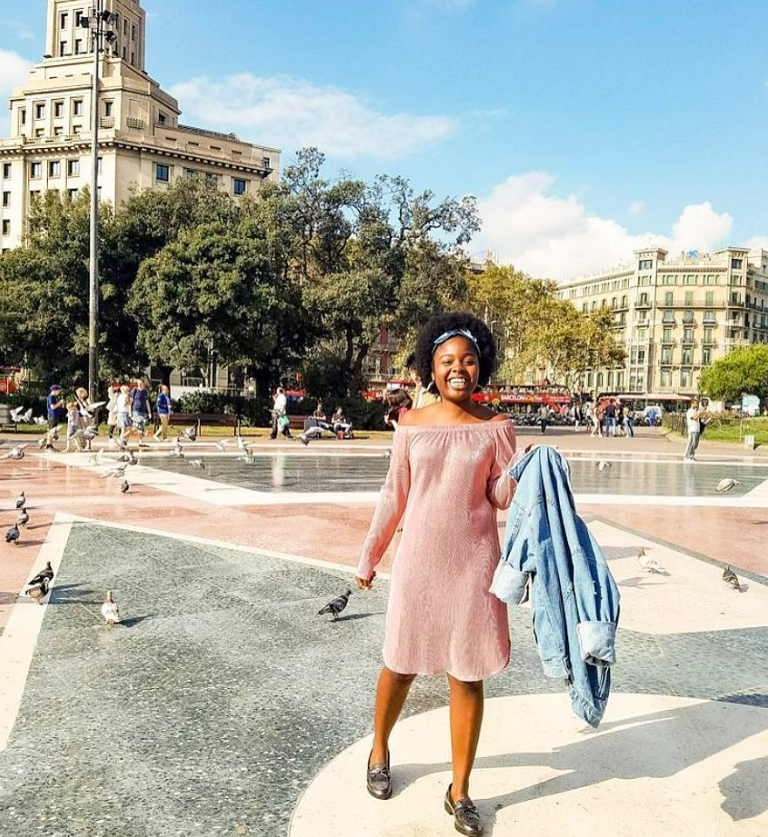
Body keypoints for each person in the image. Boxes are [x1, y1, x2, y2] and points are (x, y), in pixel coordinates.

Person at [356, 312, 517, 837]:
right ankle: (380, 747)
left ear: (481, 366)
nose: (458, 369)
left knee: (467, 675)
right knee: (399, 664)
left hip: (474, 568)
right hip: (419, 564)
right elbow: (393, 496)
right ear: (430, 367)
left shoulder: (496, 427)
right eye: (447, 361)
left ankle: (461, 791)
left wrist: (520, 474)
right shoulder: (410, 424)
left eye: (468, 360)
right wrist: (370, 554)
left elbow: (500, 498)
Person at [130, 379, 152, 444]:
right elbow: (131, 401)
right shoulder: (135, 391)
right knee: (136, 426)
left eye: (141, 383)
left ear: (143, 384)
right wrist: (130, 411)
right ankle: (126, 436)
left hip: (142, 410)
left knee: (140, 426)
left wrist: (149, 412)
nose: (139, 384)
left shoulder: (145, 391)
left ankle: (140, 439)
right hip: (135, 410)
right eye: (138, 383)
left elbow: (147, 402)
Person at [45, 384, 66, 450]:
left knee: (53, 430)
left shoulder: (54, 397)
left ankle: (50, 444)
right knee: (51, 430)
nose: (59, 392)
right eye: (58, 391)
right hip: (52, 415)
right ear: (54, 390)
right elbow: (52, 407)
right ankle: (48, 445)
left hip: (55, 415)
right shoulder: (51, 397)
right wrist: (60, 402)